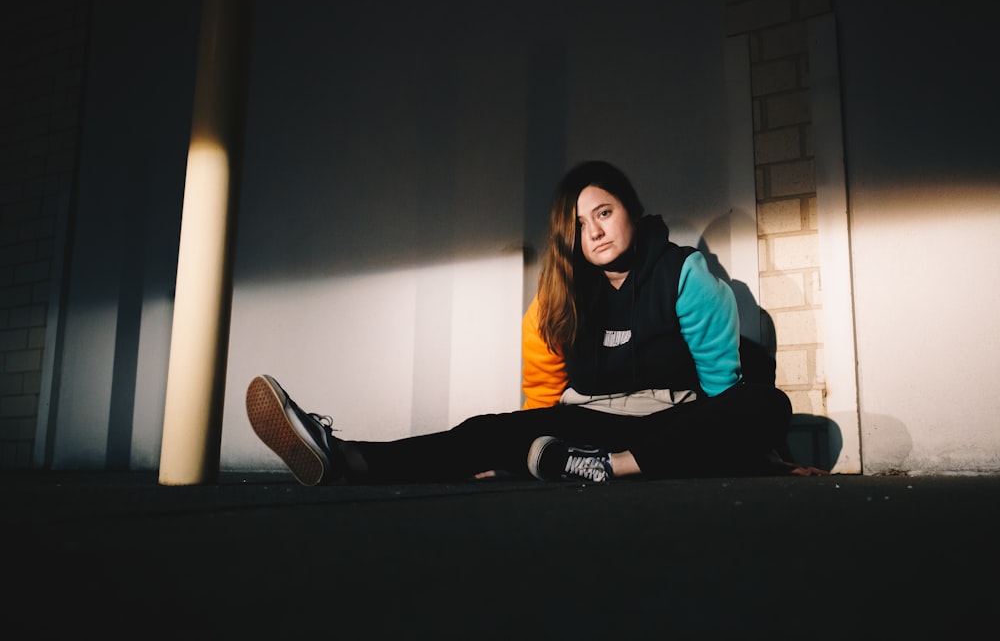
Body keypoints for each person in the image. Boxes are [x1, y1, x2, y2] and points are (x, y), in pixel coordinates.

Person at [246, 160, 823, 486]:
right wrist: (511, 448)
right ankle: (344, 455)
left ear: (630, 210)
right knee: (485, 428)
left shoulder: (685, 274)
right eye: (579, 222)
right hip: (589, 423)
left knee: (765, 404)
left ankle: (605, 470)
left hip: (671, 422)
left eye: (604, 212)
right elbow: (542, 403)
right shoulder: (557, 299)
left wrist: (762, 457)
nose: (594, 231)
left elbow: (722, 389)